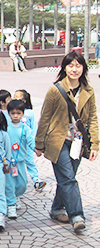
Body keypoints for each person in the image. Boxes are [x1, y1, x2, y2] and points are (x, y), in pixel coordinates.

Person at [35, 51, 99, 232]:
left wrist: (95, 144)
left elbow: (93, 118)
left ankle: (56, 209)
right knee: (69, 179)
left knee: (66, 179)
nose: (74, 69)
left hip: (78, 142)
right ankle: (77, 216)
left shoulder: (88, 91)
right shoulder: (55, 89)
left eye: (78, 65)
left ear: (83, 68)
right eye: (71, 65)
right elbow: (45, 118)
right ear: (64, 68)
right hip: (58, 141)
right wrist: (39, 144)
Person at [5, 100, 34, 219]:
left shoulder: (25, 128)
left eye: (18, 113)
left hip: (20, 161)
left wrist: (36, 149)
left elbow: (31, 140)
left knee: (22, 183)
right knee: (9, 183)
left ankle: (17, 195)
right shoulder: (5, 127)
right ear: (9, 113)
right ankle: (11, 204)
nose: (15, 116)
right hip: (8, 161)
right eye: (12, 113)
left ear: (23, 114)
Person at [14, 89, 46, 192]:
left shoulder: (29, 113)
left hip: (26, 143)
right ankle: (14, 181)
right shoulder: (12, 112)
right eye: (14, 98)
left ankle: (36, 180)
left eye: (18, 98)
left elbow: (33, 129)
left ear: (24, 100)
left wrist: (34, 143)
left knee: (29, 161)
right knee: (14, 162)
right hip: (14, 143)